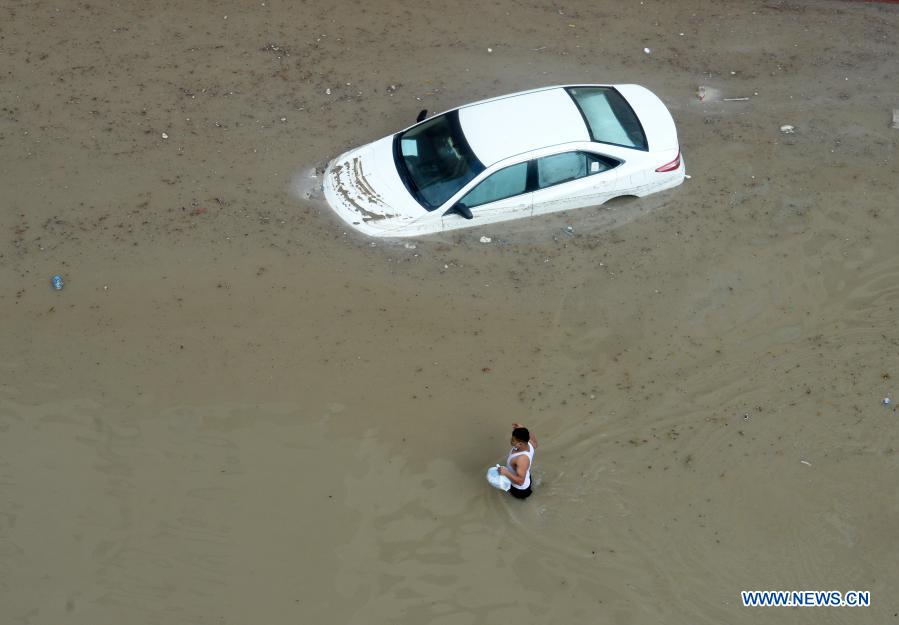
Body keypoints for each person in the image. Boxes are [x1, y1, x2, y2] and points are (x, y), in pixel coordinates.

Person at [498, 422, 537, 499]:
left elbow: (520, 482)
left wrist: (506, 473)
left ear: (520, 444)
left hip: (519, 490)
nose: (511, 440)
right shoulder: (530, 443)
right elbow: (535, 444)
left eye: (513, 440)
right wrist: (523, 429)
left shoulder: (521, 459)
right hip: (527, 477)